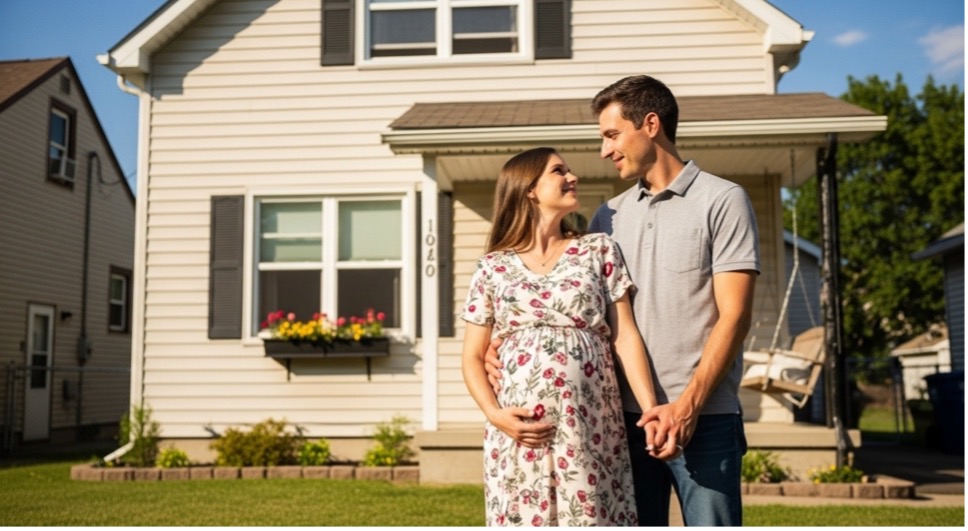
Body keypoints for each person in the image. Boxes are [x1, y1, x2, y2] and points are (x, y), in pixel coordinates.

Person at [485, 76, 760, 526]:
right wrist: (506, 347)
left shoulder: (722, 200)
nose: (604, 150)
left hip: (704, 416)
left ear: (650, 124)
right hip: (619, 421)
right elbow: (578, 308)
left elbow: (735, 315)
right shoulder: (606, 218)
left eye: (612, 135)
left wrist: (686, 407)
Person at [461, 147, 658, 526]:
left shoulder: (597, 249)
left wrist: (649, 408)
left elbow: (625, 337)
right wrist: (495, 415)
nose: (572, 177)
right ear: (530, 189)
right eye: (558, 171)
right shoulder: (493, 266)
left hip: (590, 425)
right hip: (519, 433)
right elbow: (472, 356)